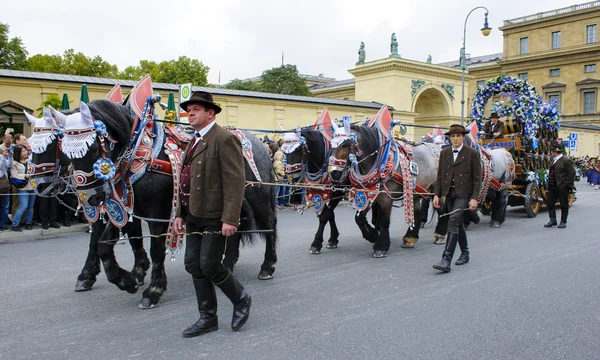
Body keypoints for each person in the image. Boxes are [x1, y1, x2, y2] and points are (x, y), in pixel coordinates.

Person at [173, 91, 251, 338]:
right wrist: (179, 214)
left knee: (209, 263)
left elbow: (235, 181)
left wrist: (230, 218)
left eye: (196, 109)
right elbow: (184, 179)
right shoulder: (193, 141)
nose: (191, 113)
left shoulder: (224, 138)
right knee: (192, 264)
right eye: (189, 109)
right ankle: (208, 318)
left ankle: (241, 299)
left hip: (215, 215)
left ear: (210, 113)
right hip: (194, 214)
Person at [433, 124, 482, 273]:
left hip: (463, 194)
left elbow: (477, 179)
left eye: (458, 136)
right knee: (458, 224)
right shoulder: (445, 153)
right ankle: (465, 253)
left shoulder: (472, 153)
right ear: (449, 138)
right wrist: (437, 194)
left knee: (453, 222)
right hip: (449, 194)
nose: (455, 139)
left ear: (463, 137)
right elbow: (440, 176)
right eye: (453, 136)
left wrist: (474, 198)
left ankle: (446, 259)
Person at [544, 142, 575, 229]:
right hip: (552, 186)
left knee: (563, 204)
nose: (551, 153)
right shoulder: (554, 160)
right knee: (550, 203)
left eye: (551, 151)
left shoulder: (566, 160)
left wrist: (565, 184)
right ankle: (553, 220)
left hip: (561, 186)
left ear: (555, 151)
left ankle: (563, 221)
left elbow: (572, 172)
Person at [10, 145, 36, 232]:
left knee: (31, 206)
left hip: (32, 185)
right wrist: (25, 175)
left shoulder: (31, 160)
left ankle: (29, 223)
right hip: (22, 187)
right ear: (18, 153)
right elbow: (14, 175)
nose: (25, 153)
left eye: (26, 151)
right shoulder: (14, 163)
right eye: (23, 151)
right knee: (23, 206)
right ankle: (15, 224)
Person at [0, 146, 11, 232]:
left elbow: (9, 166)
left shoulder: (1, 156)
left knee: (5, 207)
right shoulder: (2, 157)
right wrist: (3, 157)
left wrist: (10, 157)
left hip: (4, 186)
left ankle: (3, 225)